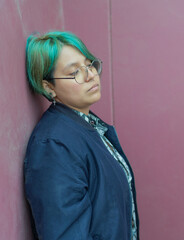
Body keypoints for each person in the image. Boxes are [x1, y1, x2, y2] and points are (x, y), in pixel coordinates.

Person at [24, 31, 139, 240]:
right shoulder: (54, 145)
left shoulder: (89, 126)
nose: (90, 74)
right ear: (48, 87)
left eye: (89, 64)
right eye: (74, 72)